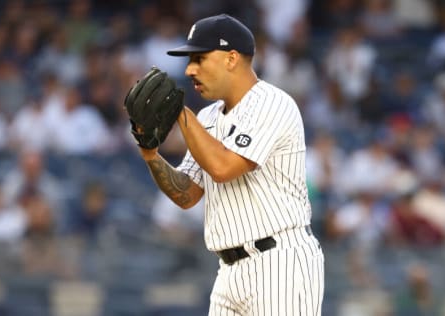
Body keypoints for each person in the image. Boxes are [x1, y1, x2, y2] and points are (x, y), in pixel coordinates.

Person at [135, 14, 324, 315]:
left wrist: (180, 115)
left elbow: (223, 168)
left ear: (231, 58)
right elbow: (187, 195)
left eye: (199, 58)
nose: (189, 70)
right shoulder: (208, 118)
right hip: (229, 272)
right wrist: (150, 154)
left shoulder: (273, 103)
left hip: (279, 263)